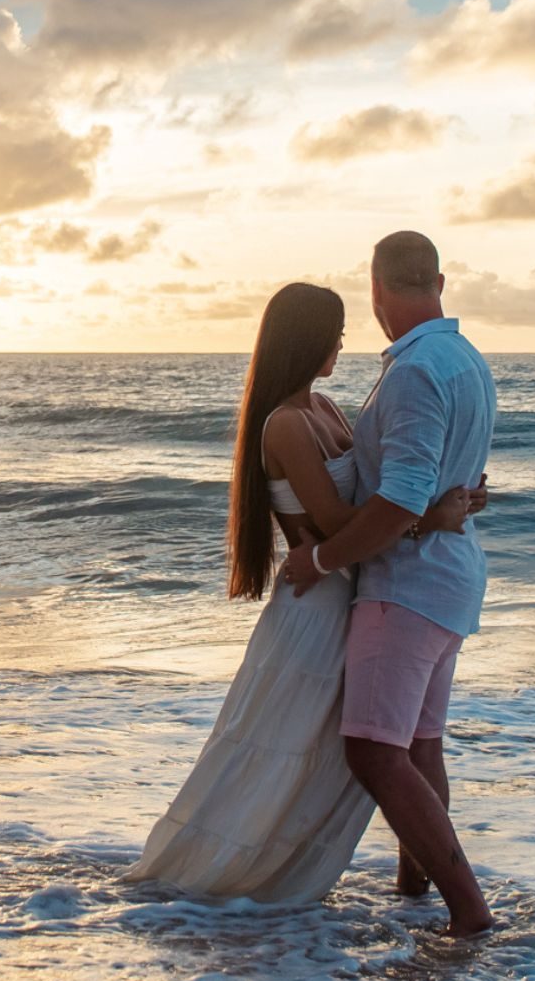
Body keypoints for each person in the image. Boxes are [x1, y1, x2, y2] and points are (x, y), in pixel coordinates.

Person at [125, 281, 477, 903]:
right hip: (314, 607)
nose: (341, 345)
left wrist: (445, 487)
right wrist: (431, 517)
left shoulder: (326, 408)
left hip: (349, 592)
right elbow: (338, 523)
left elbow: (374, 490)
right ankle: (218, 877)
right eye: (333, 335)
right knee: (281, 744)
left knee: (361, 750)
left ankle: (412, 890)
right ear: (307, 340)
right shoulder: (285, 424)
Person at [284, 232, 496, 938]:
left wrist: (319, 561)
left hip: (408, 584)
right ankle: (415, 893)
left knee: (375, 751)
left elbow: (401, 500)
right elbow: (445, 479)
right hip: (450, 578)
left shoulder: (414, 371)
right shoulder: (465, 359)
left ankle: (469, 914)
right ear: (440, 282)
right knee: (419, 745)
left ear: (376, 290)